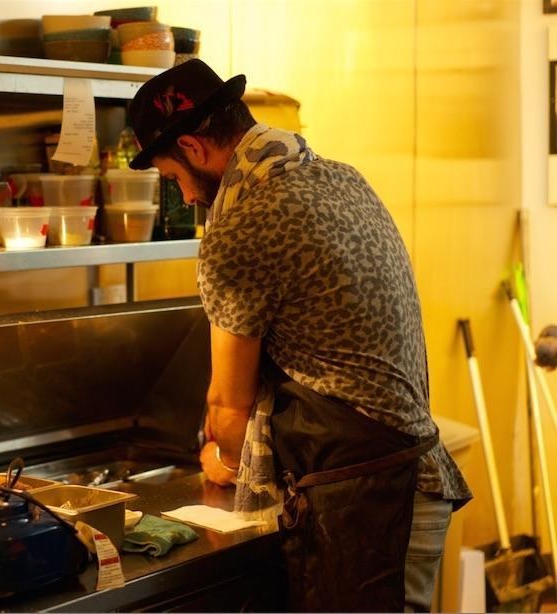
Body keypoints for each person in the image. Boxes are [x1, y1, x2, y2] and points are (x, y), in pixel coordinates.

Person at [127, 59, 472, 612]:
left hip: (366, 509)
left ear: (193, 148)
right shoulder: (341, 178)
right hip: (413, 482)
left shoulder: (244, 225)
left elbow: (228, 409)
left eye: (173, 179)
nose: (187, 199)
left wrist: (221, 458)